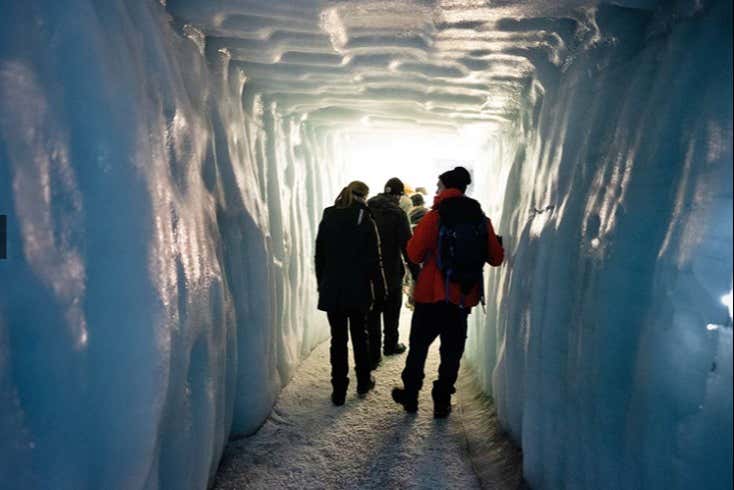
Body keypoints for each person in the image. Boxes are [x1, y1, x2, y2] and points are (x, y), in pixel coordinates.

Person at [392, 167, 504, 418]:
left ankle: (410, 395)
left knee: (419, 347)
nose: (435, 190)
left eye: (438, 185)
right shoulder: (479, 218)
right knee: (452, 351)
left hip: (430, 298)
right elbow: (496, 258)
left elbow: (413, 253)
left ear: (445, 187)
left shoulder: (435, 217)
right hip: (462, 299)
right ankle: (442, 400)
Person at [315, 181, 384, 405]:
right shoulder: (365, 217)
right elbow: (375, 259)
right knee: (359, 336)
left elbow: (320, 254)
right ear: (364, 196)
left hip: (332, 287)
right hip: (358, 288)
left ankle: (339, 391)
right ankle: (364, 382)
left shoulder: (329, 214)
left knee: (338, 339)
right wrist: (380, 289)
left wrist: (322, 283)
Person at [367, 177, 421, 368]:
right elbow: (408, 247)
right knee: (392, 308)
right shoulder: (397, 214)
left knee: (373, 311)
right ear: (398, 195)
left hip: (370, 271)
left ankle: (373, 354)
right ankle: (390, 344)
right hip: (391, 271)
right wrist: (416, 273)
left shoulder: (367, 208)